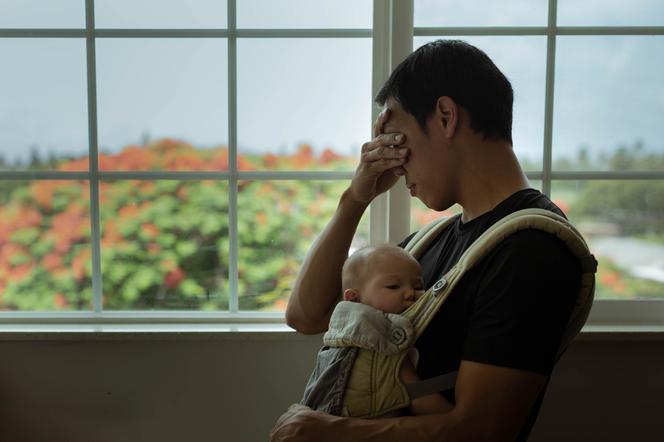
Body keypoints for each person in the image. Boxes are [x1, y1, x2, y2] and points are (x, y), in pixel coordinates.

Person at [271, 39, 581, 442]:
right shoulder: (429, 242)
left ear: (446, 116)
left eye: (397, 139)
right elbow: (306, 316)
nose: (395, 163)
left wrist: (331, 432)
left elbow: (484, 429)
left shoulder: (530, 250)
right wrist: (354, 200)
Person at [300, 244, 451, 416]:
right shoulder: (381, 343)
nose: (410, 293)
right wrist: (458, 422)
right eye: (394, 286)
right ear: (354, 299)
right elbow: (418, 397)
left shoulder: (340, 333)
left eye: (417, 286)